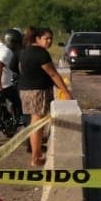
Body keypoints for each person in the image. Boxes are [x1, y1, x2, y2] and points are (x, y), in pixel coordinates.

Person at [18, 26, 72, 167]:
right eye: (46, 38)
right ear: (37, 38)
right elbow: (53, 74)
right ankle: (36, 157)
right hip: (37, 91)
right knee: (37, 124)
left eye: (51, 39)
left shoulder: (25, 51)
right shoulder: (41, 54)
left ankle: (36, 155)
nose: (49, 41)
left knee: (35, 122)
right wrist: (66, 92)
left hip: (25, 90)